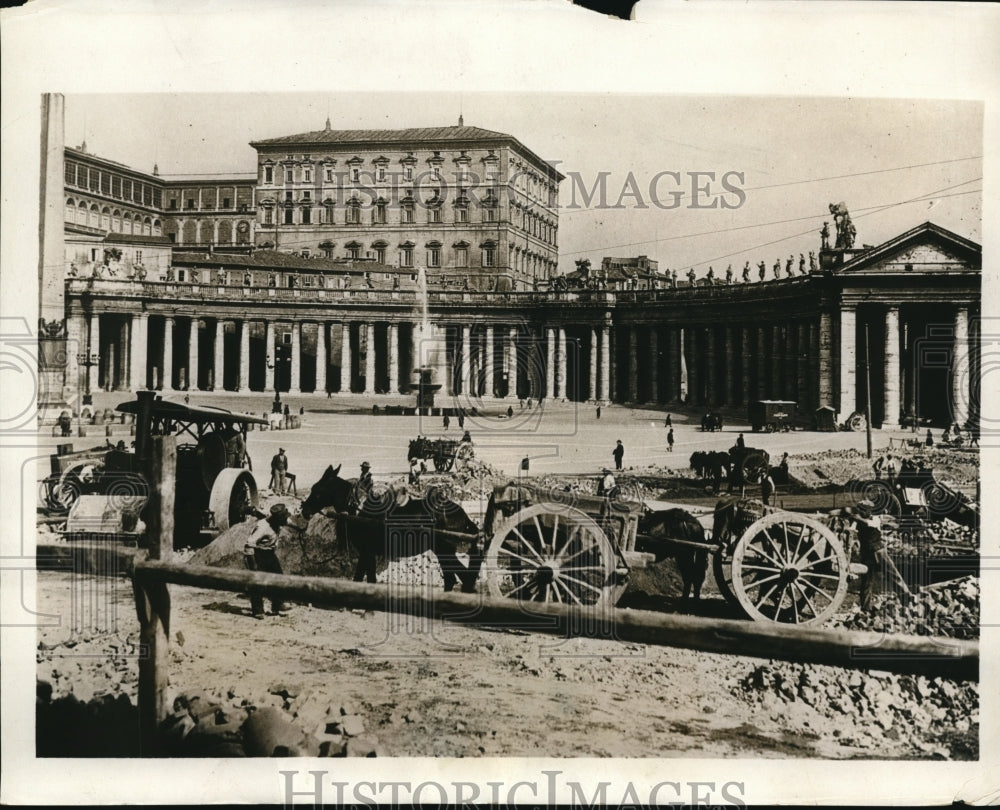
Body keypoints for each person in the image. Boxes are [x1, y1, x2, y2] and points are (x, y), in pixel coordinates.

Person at [243, 504, 290, 618]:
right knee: (258, 582)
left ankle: (277, 606)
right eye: (283, 519)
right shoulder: (263, 527)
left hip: (270, 553)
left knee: (278, 578)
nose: (285, 521)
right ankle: (258, 610)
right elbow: (249, 544)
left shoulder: (277, 520)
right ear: (277, 519)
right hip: (258, 554)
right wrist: (253, 564)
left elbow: (289, 521)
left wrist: (300, 528)